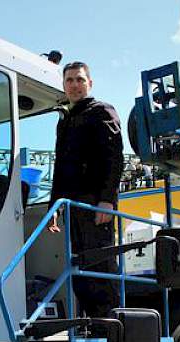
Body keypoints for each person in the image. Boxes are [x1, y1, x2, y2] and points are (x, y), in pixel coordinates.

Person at [48, 61, 124, 319]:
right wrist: (53, 208)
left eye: (80, 79)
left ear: (90, 83)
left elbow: (114, 158)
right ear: (63, 85)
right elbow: (60, 167)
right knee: (79, 268)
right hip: (72, 207)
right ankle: (93, 323)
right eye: (69, 80)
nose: (75, 85)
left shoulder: (101, 111)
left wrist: (107, 201)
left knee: (99, 264)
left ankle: (113, 326)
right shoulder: (65, 121)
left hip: (94, 205)